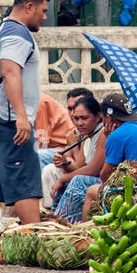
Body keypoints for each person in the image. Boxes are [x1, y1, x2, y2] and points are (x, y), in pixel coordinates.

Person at [0, 0, 52, 237]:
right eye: (43, 10)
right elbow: (10, 71)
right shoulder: (16, 34)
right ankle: (35, 241)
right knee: (25, 180)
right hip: (7, 118)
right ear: (29, 6)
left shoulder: (2, 29)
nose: (45, 16)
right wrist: (21, 117)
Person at [79, 92, 137, 218]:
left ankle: (85, 233)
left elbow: (106, 178)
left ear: (107, 118)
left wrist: (107, 138)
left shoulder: (117, 135)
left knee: (91, 192)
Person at [46, 95, 107, 223]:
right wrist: (64, 163)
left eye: (84, 118)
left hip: (104, 180)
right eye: (76, 118)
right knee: (65, 178)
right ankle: (56, 218)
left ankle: (64, 223)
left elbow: (93, 170)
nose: (79, 123)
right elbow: (79, 166)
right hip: (93, 178)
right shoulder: (86, 135)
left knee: (77, 181)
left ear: (98, 116)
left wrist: (62, 179)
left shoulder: (103, 133)